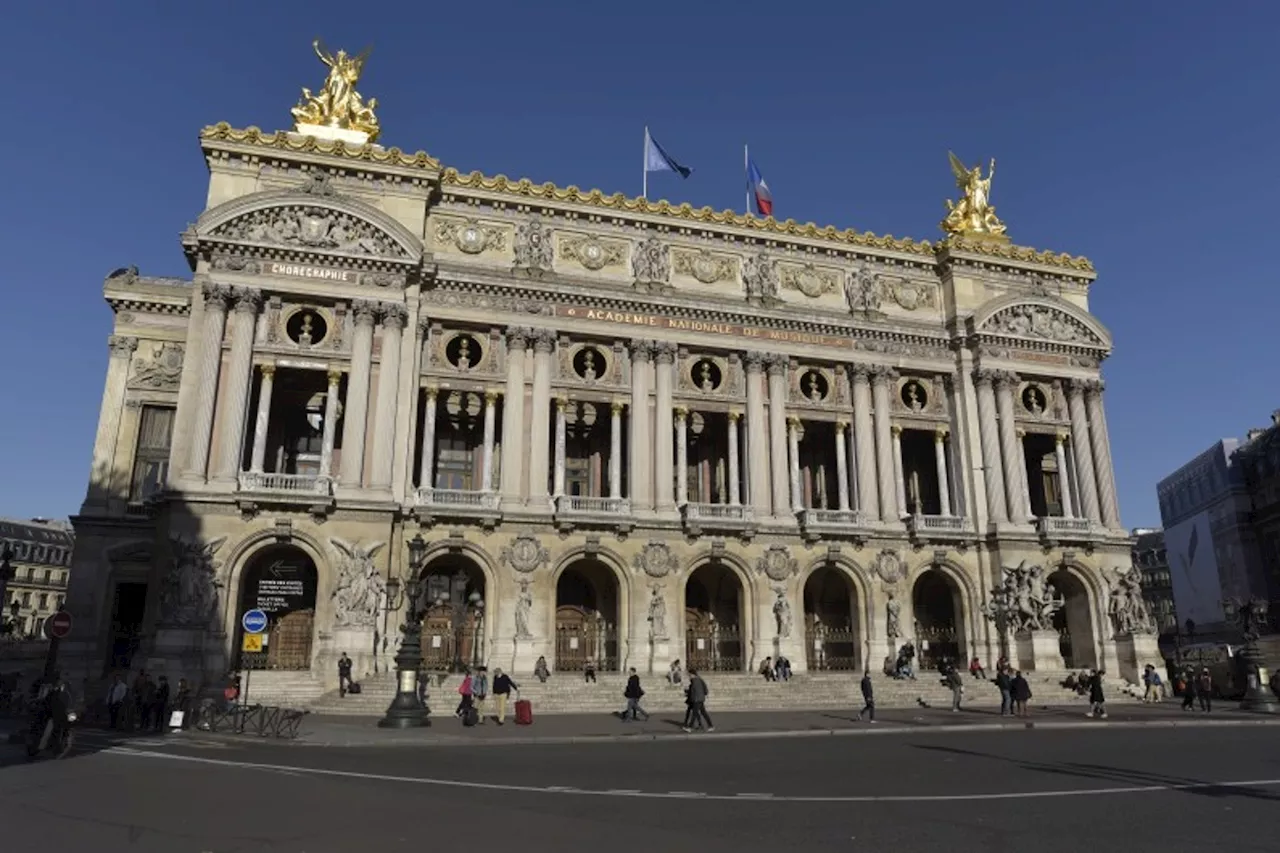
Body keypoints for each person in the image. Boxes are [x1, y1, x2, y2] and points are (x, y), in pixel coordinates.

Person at [30, 673, 72, 755]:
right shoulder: (49, 689)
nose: (61, 682)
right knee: (45, 728)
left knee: (58, 727)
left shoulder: (66, 691)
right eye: (60, 680)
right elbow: (43, 699)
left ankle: (54, 745)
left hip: (58, 713)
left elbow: (69, 701)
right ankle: (38, 746)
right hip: (47, 712)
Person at [682, 668, 713, 733]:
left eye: (689, 675)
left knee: (694, 714)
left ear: (692, 674)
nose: (689, 676)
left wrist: (688, 695)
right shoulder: (700, 679)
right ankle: (711, 726)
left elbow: (693, 691)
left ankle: (690, 727)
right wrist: (705, 693)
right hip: (700, 698)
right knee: (703, 713)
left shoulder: (694, 680)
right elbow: (704, 687)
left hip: (696, 699)